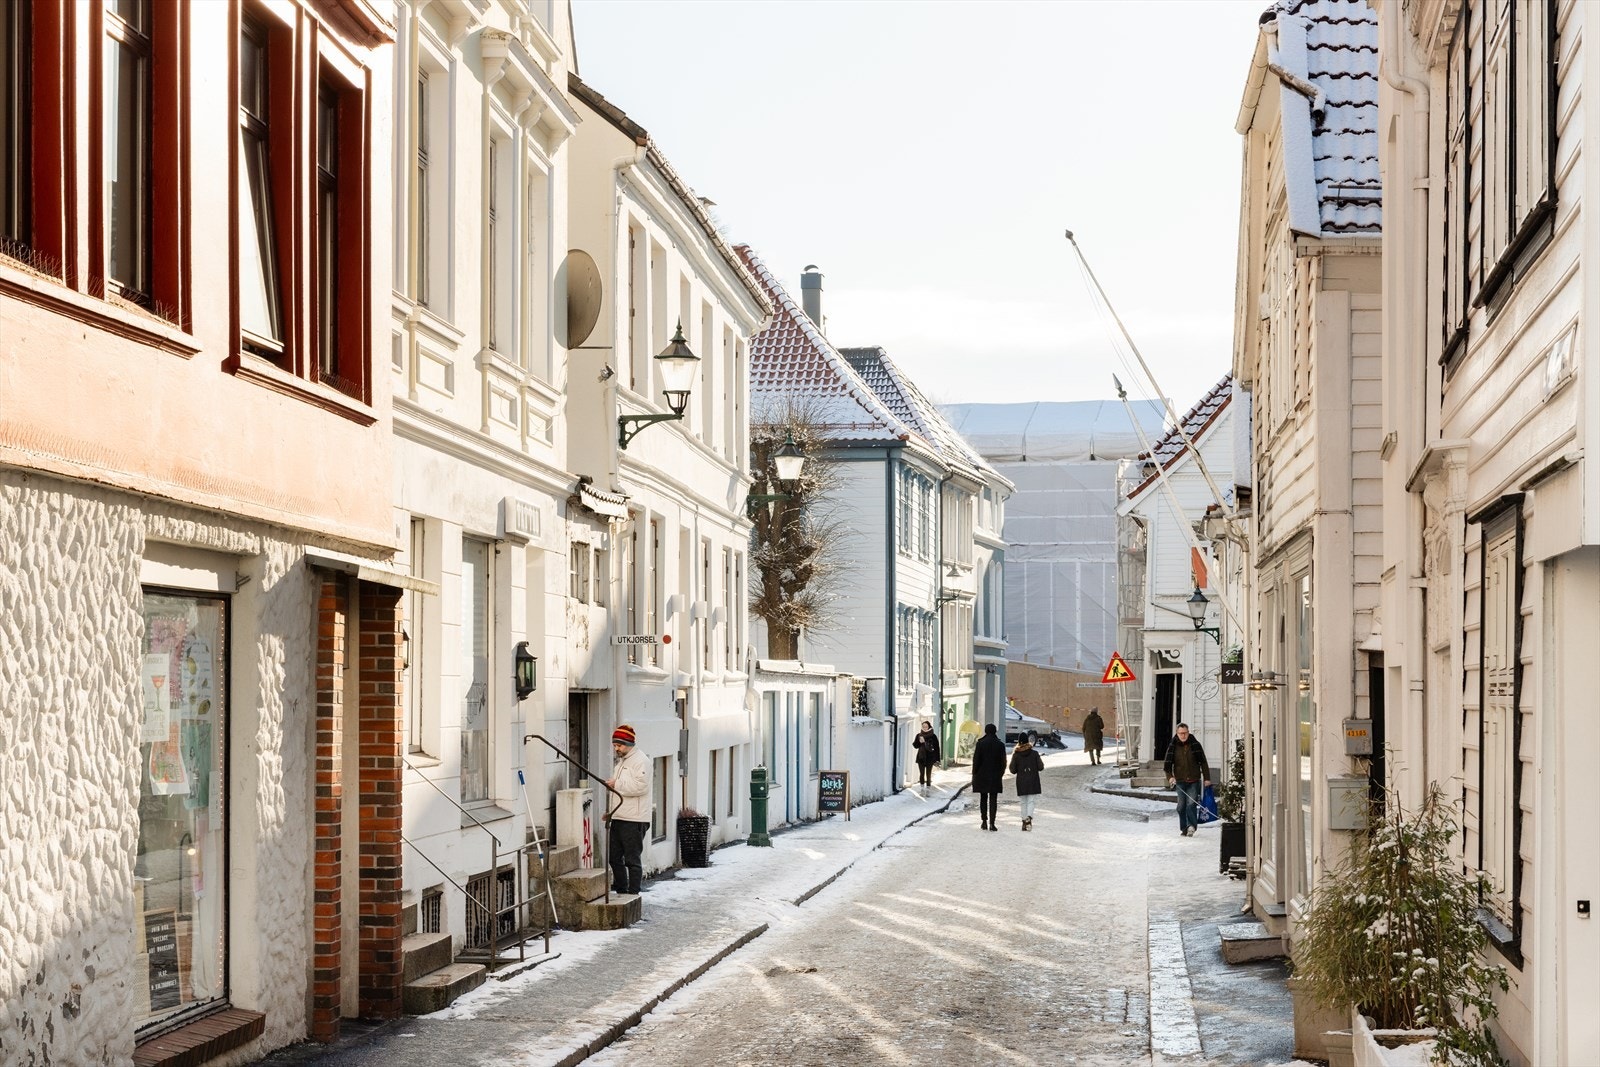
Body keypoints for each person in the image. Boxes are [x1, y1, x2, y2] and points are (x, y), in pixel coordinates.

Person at [604, 724, 652, 895]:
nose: (616, 748)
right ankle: (622, 891)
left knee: (632, 859)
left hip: (635, 819)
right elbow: (621, 791)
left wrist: (616, 784)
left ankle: (633, 894)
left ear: (629, 743)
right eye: (615, 745)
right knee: (614, 857)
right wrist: (610, 812)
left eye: (619, 745)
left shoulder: (641, 761)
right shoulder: (622, 762)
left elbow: (641, 787)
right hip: (619, 816)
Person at [1163, 722, 1211, 837]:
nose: (1183, 735)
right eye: (1180, 733)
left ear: (1188, 732)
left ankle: (1191, 826)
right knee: (1181, 807)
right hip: (1179, 781)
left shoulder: (1195, 745)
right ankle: (1184, 827)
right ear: (1177, 733)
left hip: (1194, 780)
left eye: (1185, 733)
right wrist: (1170, 778)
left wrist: (1207, 778)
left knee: (1191, 804)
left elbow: (1203, 762)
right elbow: (1167, 766)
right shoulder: (1173, 746)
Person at [970, 722, 1007, 831]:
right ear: (995, 731)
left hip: (982, 775)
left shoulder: (980, 743)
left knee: (983, 798)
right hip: (995, 776)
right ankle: (992, 823)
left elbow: (976, 760)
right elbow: (1003, 762)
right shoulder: (1000, 745)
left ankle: (984, 821)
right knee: (993, 799)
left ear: (986, 731)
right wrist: (1000, 773)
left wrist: (974, 773)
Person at [1008, 735, 1044, 831]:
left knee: (1023, 802)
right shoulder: (1034, 753)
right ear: (1027, 741)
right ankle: (1029, 817)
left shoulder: (1016, 754)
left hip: (1021, 781)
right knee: (1031, 801)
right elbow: (1041, 767)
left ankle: (1024, 821)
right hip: (1033, 780)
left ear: (1019, 742)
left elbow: (1012, 770)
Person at [912, 720, 941, 786]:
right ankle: (921, 788)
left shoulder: (933, 736)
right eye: (923, 726)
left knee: (928, 774)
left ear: (929, 727)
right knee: (921, 774)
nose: (924, 728)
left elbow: (937, 748)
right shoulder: (919, 735)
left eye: (926, 726)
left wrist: (937, 759)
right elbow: (915, 746)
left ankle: (928, 789)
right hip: (921, 757)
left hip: (930, 757)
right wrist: (919, 742)